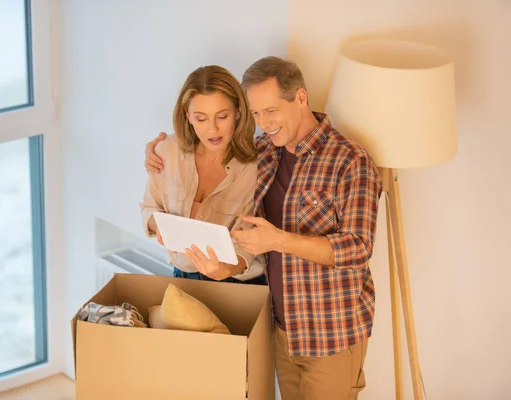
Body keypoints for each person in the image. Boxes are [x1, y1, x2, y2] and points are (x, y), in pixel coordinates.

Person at [145, 56, 382, 399]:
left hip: (331, 332)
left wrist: (280, 240)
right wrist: (155, 149)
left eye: (270, 111)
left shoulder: (350, 161)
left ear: (300, 98)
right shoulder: (264, 152)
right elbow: (207, 153)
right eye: (255, 114)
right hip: (282, 330)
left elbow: (358, 248)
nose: (263, 123)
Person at [140, 65, 266, 285]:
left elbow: (248, 243)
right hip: (182, 275)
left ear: (238, 112)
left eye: (222, 116)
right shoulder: (166, 151)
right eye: (201, 119)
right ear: (187, 116)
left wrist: (222, 270)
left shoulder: (255, 168)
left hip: (237, 282)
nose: (213, 130)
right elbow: (149, 207)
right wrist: (159, 226)